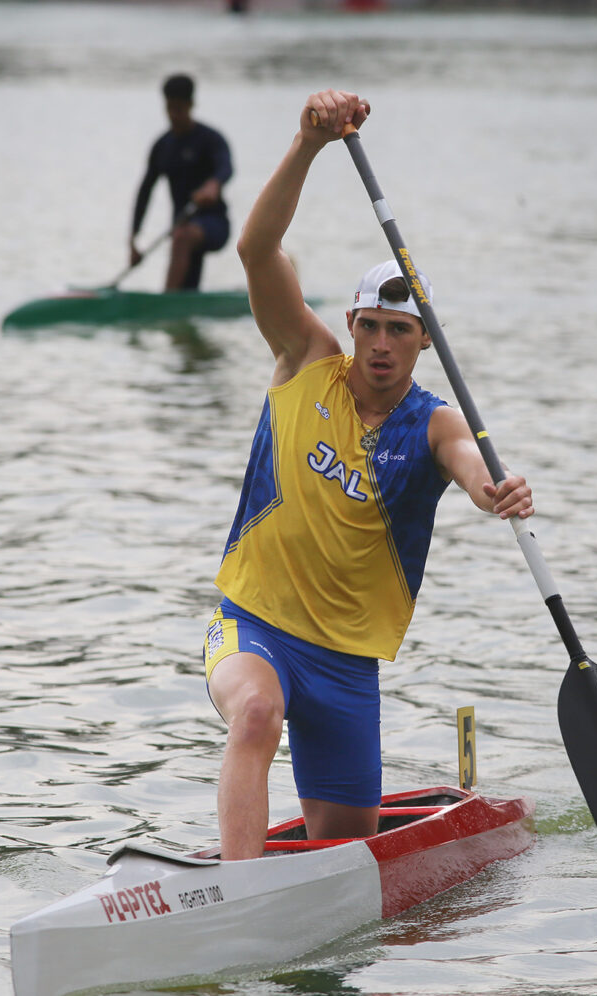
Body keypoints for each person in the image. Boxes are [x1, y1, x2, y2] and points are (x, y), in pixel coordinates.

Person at [202, 88, 534, 861]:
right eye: (371, 327)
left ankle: (284, 887)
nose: (382, 344)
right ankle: (236, 893)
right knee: (255, 714)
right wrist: (308, 142)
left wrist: (499, 493)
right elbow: (256, 251)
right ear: (350, 327)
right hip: (254, 624)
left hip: (347, 664)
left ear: (423, 343)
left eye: (401, 331)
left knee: (346, 851)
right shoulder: (304, 360)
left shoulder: (437, 423)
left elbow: (475, 472)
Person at [128, 74, 233, 291]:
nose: (174, 114)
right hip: (182, 224)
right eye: (169, 108)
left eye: (179, 108)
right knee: (187, 285)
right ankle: (183, 310)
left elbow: (227, 167)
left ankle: (165, 303)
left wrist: (214, 184)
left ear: (191, 104)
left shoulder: (210, 139)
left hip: (214, 224)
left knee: (182, 238)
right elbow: (145, 192)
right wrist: (134, 238)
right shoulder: (162, 146)